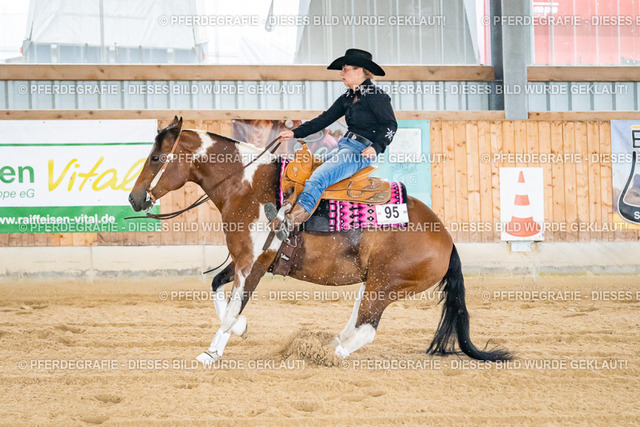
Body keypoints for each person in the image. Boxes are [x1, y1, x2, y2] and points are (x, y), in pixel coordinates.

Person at [275, 48, 397, 237]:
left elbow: (390, 124)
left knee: (319, 177)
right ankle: (290, 210)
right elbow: (324, 119)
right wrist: (294, 132)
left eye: (345, 69)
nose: (341, 73)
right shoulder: (348, 97)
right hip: (344, 147)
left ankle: (292, 221)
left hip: (359, 151)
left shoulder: (376, 96)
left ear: (360, 70)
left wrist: (376, 147)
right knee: (308, 171)